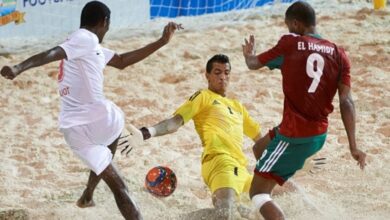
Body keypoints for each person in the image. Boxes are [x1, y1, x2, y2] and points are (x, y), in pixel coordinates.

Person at [0, 1, 182, 219]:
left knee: (113, 160)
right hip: (98, 118)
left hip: (74, 130)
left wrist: (162, 41)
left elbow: (123, 61)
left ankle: (88, 194)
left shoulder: (89, 47)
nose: (107, 30)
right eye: (108, 25)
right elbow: (52, 52)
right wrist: (19, 67)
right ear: (104, 22)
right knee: (120, 182)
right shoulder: (84, 39)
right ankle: (89, 194)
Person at [241, 1, 367, 219]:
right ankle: (295, 198)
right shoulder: (339, 53)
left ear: (296, 24)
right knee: (260, 149)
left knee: (257, 193)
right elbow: (347, 101)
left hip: (294, 136)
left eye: (288, 25)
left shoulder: (290, 44)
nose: (288, 29)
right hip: (318, 135)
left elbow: (253, 64)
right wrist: (353, 147)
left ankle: (273, 203)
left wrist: (248, 55)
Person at [122, 54, 261, 219]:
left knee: (279, 200)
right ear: (207, 76)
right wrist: (147, 132)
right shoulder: (203, 96)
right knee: (226, 214)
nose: (223, 77)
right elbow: (175, 122)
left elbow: (260, 140)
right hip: (220, 162)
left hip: (243, 171)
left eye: (226, 72)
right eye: (217, 72)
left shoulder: (238, 106)